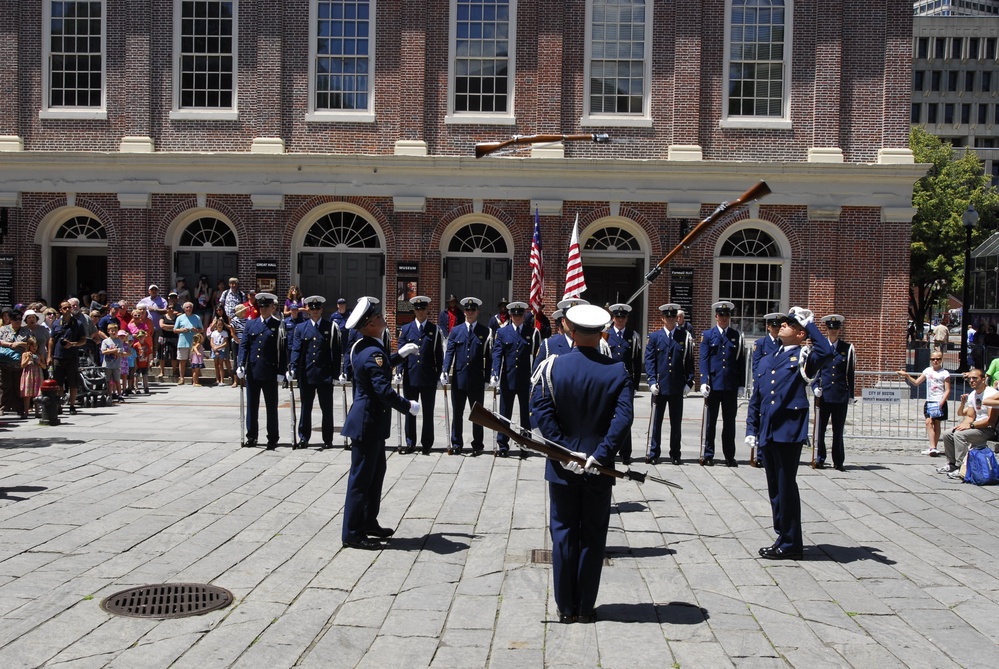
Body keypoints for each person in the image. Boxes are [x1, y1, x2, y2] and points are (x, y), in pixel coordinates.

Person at [530, 304, 633, 623]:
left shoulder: (552, 367)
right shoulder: (617, 371)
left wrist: (565, 451)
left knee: (562, 534)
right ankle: (585, 607)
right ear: (602, 333)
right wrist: (598, 455)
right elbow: (623, 419)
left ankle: (564, 607)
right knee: (592, 535)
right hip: (598, 469)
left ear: (570, 332)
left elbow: (541, 414)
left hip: (562, 467)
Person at [745, 307, 832, 560]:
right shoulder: (767, 358)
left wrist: (812, 325)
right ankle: (782, 535)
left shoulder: (805, 356)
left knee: (786, 486)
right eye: (782, 323)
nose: (782, 325)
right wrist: (752, 427)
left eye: (790, 324)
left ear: (800, 333)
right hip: (769, 430)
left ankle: (792, 542)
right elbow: (757, 396)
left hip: (788, 430)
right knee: (775, 488)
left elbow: (826, 352)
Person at [340, 297, 418, 550]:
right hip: (367, 423)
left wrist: (398, 356)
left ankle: (368, 521)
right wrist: (408, 406)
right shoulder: (373, 351)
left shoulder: (363, 346)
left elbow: (377, 367)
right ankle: (352, 533)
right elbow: (383, 390)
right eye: (378, 317)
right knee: (361, 480)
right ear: (371, 323)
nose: (383, 318)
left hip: (370, 422)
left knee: (375, 476)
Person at [289, 296, 343, 450]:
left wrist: (335, 374)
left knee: (327, 408)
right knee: (306, 408)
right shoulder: (301, 328)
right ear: (308, 310)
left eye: (317, 309)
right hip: (307, 373)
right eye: (312, 309)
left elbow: (336, 351)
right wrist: (293, 367)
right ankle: (304, 437)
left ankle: (328, 438)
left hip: (324, 374)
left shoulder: (330, 327)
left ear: (321, 310)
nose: (315, 312)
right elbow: (297, 349)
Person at [644, 303, 695, 465]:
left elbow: (689, 361)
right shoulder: (654, 337)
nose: (671, 319)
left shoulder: (684, 336)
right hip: (660, 386)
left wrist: (689, 382)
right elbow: (650, 361)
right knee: (656, 422)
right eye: (668, 317)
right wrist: (651, 381)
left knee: (676, 423)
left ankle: (675, 453)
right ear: (662, 318)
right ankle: (654, 452)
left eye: (673, 317)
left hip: (677, 386)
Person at [441, 297, 491, 455]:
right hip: (459, 378)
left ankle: (478, 444)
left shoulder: (485, 331)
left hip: (476, 379)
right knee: (457, 412)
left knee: (477, 414)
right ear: (464, 312)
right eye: (467, 310)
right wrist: (444, 370)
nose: (470, 313)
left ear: (478, 312)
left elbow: (489, 357)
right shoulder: (456, 331)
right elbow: (450, 352)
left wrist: (488, 378)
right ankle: (457, 443)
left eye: (473, 310)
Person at [490, 301, 540, 458]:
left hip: (526, 379)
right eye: (514, 315)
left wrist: (536, 376)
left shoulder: (531, 332)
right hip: (508, 379)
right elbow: (497, 354)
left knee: (526, 415)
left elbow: (537, 356)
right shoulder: (502, 333)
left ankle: (525, 444)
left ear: (524, 315)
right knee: (505, 414)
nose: (517, 317)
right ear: (510, 316)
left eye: (520, 314)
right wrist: (494, 372)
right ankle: (503, 444)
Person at [699, 301, 747, 466]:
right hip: (714, 384)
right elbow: (704, 359)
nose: (724, 318)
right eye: (721, 315)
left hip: (730, 386)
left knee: (729, 423)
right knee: (710, 422)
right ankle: (708, 454)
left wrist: (741, 384)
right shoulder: (708, 335)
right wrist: (704, 381)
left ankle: (729, 456)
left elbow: (740, 361)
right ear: (716, 317)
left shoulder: (736, 336)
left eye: (727, 315)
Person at [237, 292, 287, 449]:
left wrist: (281, 371)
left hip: (270, 370)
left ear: (272, 307)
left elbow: (282, 350)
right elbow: (244, 345)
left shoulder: (278, 325)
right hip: (253, 370)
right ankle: (251, 435)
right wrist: (240, 364)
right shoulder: (251, 324)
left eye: (266, 306)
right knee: (252, 405)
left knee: (271, 406)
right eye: (261, 306)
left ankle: (272, 437)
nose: (264, 309)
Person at [396, 296, 443, 455]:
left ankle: (427, 443)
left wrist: (439, 375)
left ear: (427, 310)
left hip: (428, 377)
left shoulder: (434, 330)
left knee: (428, 412)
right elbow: (401, 354)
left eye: (423, 308)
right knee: (410, 410)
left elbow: (439, 355)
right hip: (411, 376)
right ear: (414, 311)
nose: (420, 311)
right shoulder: (406, 329)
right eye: (417, 309)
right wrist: (398, 372)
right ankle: (410, 442)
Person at [812, 315, 856, 471]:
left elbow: (850, 373)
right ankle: (820, 458)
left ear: (840, 330)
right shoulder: (820, 347)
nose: (833, 331)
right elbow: (815, 370)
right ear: (826, 329)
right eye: (830, 328)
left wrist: (850, 394)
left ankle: (838, 461)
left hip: (839, 395)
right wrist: (815, 387)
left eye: (836, 328)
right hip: (823, 395)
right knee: (820, 430)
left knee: (838, 431)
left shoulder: (847, 348)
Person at [938, 368, 999, 478]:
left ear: (983, 379)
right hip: (976, 427)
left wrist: (970, 425)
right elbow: (970, 416)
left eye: (975, 378)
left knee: (959, 436)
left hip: (989, 429)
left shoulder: (991, 394)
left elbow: (991, 421)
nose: (971, 380)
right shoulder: (973, 395)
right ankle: (952, 464)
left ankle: (962, 467)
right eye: (969, 378)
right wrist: (962, 425)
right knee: (948, 433)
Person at [605, 303, 642, 464]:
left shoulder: (632, 336)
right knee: (608, 417)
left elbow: (636, 361)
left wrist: (635, 385)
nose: (620, 320)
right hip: (609, 382)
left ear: (627, 319)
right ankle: (610, 450)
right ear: (613, 318)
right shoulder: (605, 335)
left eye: (623, 317)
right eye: (617, 317)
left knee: (626, 417)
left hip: (626, 383)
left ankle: (626, 452)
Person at [749, 312, 786, 467]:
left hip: (779, 388)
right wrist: (759, 386)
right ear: (768, 327)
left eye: (779, 326)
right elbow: (756, 367)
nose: (776, 329)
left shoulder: (784, 345)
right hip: (764, 387)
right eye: (773, 326)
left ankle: (775, 454)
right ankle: (760, 454)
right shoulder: (761, 343)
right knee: (763, 420)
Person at [897, 351, 951, 456]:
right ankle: (932, 447)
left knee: (936, 423)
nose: (935, 361)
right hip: (930, 400)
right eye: (933, 359)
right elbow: (917, 382)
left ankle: (934, 447)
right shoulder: (927, 370)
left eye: (938, 359)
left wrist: (942, 402)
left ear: (941, 360)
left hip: (939, 400)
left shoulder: (945, 373)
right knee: (928, 422)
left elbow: (947, 390)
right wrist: (907, 375)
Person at [48, 301, 87, 414]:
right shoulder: (56, 323)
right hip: (58, 356)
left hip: (72, 357)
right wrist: (49, 355)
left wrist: (73, 344)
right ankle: (59, 404)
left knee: (72, 382)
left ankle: (72, 405)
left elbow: (83, 340)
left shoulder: (78, 324)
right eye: (65, 308)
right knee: (58, 382)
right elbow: (52, 340)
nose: (68, 309)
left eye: (69, 307)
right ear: (60, 310)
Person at [0, 310, 29, 414]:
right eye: (15, 319)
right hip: (5, 363)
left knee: (18, 386)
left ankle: (19, 407)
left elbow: (31, 343)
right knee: (5, 386)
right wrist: (10, 344)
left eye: (20, 319)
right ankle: (3, 407)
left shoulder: (26, 331)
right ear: (10, 320)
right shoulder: (3, 329)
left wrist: (21, 343)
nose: (18, 321)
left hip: (20, 364)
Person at [174, 302, 203, 385]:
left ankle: (194, 380)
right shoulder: (180, 318)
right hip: (182, 342)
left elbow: (201, 329)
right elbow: (175, 330)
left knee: (194, 362)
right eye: (186, 307)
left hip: (194, 343)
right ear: (184, 309)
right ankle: (181, 378)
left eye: (190, 307)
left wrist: (196, 330)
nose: (188, 309)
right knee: (182, 361)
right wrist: (182, 330)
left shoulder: (197, 317)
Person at [19, 337, 42, 418]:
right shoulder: (25, 354)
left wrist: (39, 362)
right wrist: (28, 359)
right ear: (29, 346)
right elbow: (22, 365)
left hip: (37, 375)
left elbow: (44, 366)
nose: (34, 348)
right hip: (28, 375)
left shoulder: (39, 355)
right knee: (27, 395)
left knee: (37, 395)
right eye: (33, 346)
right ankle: (26, 412)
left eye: (36, 346)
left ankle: (37, 412)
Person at [101, 321, 124, 400]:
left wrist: (110, 350)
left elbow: (120, 353)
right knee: (108, 381)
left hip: (116, 365)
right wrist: (113, 350)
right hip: (107, 365)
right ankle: (109, 394)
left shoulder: (119, 341)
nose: (113, 332)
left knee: (117, 381)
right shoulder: (105, 341)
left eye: (115, 330)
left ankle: (120, 395)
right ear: (108, 331)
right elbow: (103, 351)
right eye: (112, 330)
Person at [157, 304, 179, 381]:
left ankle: (174, 371)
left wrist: (168, 327)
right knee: (161, 355)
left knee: (174, 355)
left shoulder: (177, 318)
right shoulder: (162, 317)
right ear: (166, 309)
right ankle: (161, 372)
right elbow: (162, 326)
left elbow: (178, 326)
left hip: (174, 338)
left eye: (173, 308)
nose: (171, 309)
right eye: (169, 308)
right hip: (163, 337)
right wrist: (173, 327)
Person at [209, 318, 231, 386]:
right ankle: (217, 380)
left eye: (221, 324)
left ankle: (222, 380)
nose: (220, 326)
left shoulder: (225, 333)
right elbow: (211, 342)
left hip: (221, 350)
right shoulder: (213, 333)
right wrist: (214, 349)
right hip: (214, 350)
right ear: (216, 325)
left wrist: (218, 347)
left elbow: (225, 343)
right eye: (218, 324)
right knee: (216, 365)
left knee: (220, 365)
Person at [133, 329, 152, 394]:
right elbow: (134, 355)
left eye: (142, 336)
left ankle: (146, 387)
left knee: (145, 375)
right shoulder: (135, 345)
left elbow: (149, 354)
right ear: (138, 337)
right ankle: (136, 388)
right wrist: (135, 364)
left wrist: (149, 362)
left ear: (144, 336)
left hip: (145, 363)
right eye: (140, 337)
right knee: (136, 376)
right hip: (138, 363)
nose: (141, 338)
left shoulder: (147, 345)